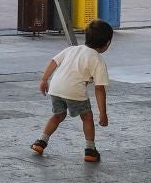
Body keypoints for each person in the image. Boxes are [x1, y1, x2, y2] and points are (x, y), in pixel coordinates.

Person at [32, 19, 114, 163]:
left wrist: (44, 79)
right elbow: (99, 89)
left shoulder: (71, 49)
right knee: (87, 117)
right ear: (107, 44)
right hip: (74, 91)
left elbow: (54, 61)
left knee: (58, 115)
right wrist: (103, 113)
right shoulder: (98, 60)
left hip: (56, 87)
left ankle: (41, 141)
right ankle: (90, 150)